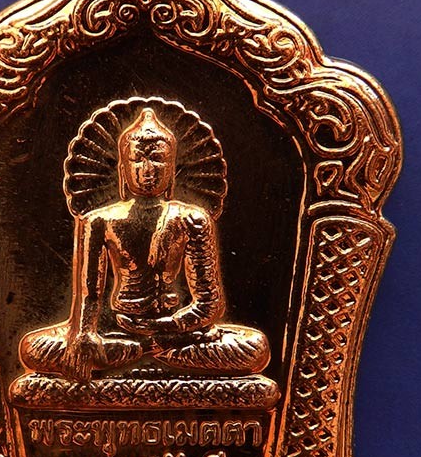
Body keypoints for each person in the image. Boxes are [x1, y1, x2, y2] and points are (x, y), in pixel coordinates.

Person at [20, 107, 269, 381]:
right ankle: (144, 351)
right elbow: (89, 295)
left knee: (255, 348)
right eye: (137, 160)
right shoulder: (99, 221)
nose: (147, 170)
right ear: (123, 169)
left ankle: (138, 352)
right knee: (33, 348)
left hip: (177, 333)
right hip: (119, 329)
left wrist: (172, 325)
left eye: (158, 160)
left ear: (172, 169)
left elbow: (210, 303)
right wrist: (84, 334)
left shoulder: (192, 219)